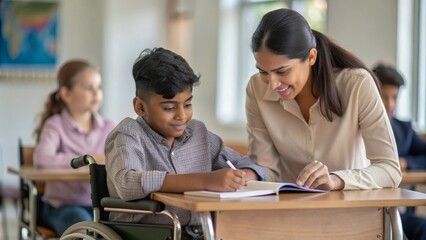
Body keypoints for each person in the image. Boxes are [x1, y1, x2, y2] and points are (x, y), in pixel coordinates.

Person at [105, 47, 266, 240]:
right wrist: (206, 181)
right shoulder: (128, 135)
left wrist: (244, 176)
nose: (181, 115)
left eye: (188, 104)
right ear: (140, 106)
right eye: (169, 107)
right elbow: (126, 182)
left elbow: (245, 163)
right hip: (146, 234)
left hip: (200, 233)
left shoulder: (199, 134)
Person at [245, 8, 401, 191]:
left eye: (282, 71)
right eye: (263, 71)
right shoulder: (256, 88)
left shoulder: (356, 84)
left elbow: (390, 170)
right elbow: (267, 170)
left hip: (352, 211)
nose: (272, 84)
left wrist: (336, 180)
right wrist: (248, 174)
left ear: (311, 57)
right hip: (289, 210)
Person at [33, 59, 116, 235]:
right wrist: (89, 158)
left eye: (98, 87)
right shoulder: (55, 125)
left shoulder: (109, 127)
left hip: (100, 206)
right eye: (88, 87)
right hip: (61, 206)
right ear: (66, 94)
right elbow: (42, 159)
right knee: (86, 229)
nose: (96, 93)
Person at [373, 63, 426, 240]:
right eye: (384, 97)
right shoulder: (355, 130)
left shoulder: (404, 129)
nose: (390, 104)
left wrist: (406, 163)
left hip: (402, 213)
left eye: (394, 97)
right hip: (370, 211)